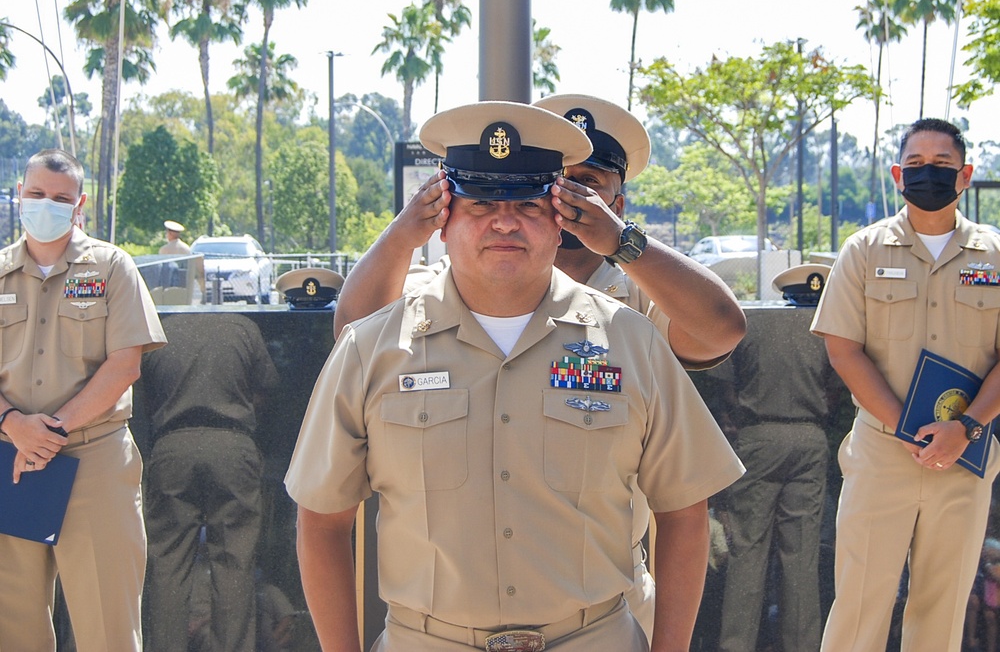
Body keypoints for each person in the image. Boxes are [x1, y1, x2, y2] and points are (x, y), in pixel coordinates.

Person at [286, 101, 745, 652]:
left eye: (529, 203)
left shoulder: (631, 339)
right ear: (443, 218)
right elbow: (321, 519)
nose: (504, 221)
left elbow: (685, 510)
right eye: (480, 202)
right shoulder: (376, 345)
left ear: (562, 221)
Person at [811, 118, 1000, 651]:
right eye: (915, 165)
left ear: (964, 176)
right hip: (882, 454)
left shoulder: (995, 254)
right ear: (897, 174)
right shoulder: (864, 251)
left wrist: (964, 427)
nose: (928, 174)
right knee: (858, 607)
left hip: (965, 456)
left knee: (941, 612)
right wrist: (907, 427)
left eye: (942, 165)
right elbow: (843, 350)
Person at [0, 148, 166, 650]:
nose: (45, 204)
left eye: (59, 198)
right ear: (19, 195)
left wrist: (48, 432)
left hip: (93, 459)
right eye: (36, 195)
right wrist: (14, 425)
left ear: (80, 203)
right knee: (15, 626)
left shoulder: (111, 267)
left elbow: (125, 365)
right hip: (11, 459)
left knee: (107, 627)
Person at [716, 263, 839, 652]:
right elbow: (838, 390)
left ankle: (735, 645)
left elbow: (726, 388)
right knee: (800, 556)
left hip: (757, 437)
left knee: (747, 552)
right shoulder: (828, 331)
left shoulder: (753, 323)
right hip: (810, 437)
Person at [141, 313, 279, 651]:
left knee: (166, 565)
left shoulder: (157, 331)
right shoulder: (243, 328)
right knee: (235, 562)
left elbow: (141, 397)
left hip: (171, 446)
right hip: (233, 446)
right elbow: (269, 387)